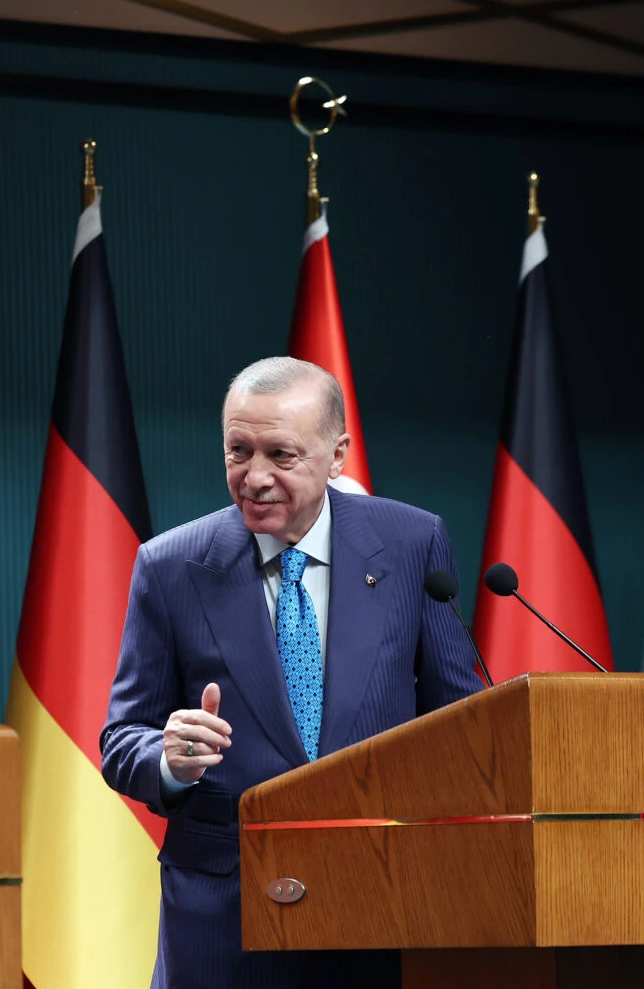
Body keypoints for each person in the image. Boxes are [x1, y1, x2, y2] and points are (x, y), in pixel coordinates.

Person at [100, 356, 481, 989]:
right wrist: (169, 759)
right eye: (237, 451)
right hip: (224, 922)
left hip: (379, 907)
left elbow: (462, 722)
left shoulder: (412, 544)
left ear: (337, 456)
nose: (254, 478)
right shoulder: (171, 566)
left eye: (281, 455)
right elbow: (122, 739)